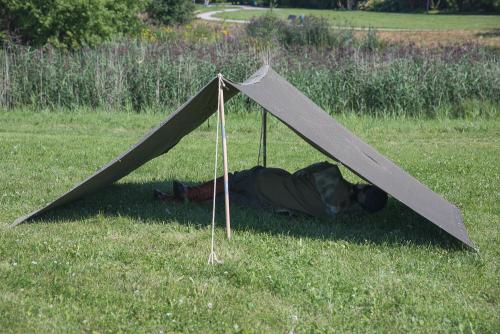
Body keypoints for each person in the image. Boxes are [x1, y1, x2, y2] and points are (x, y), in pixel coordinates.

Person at [153, 161, 388, 218]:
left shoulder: (332, 173)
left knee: (232, 180)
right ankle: (170, 200)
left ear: (364, 185)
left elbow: (302, 173)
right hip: (270, 205)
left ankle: (190, 193)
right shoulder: (338, 212)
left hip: (265, 183)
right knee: (227, 198)